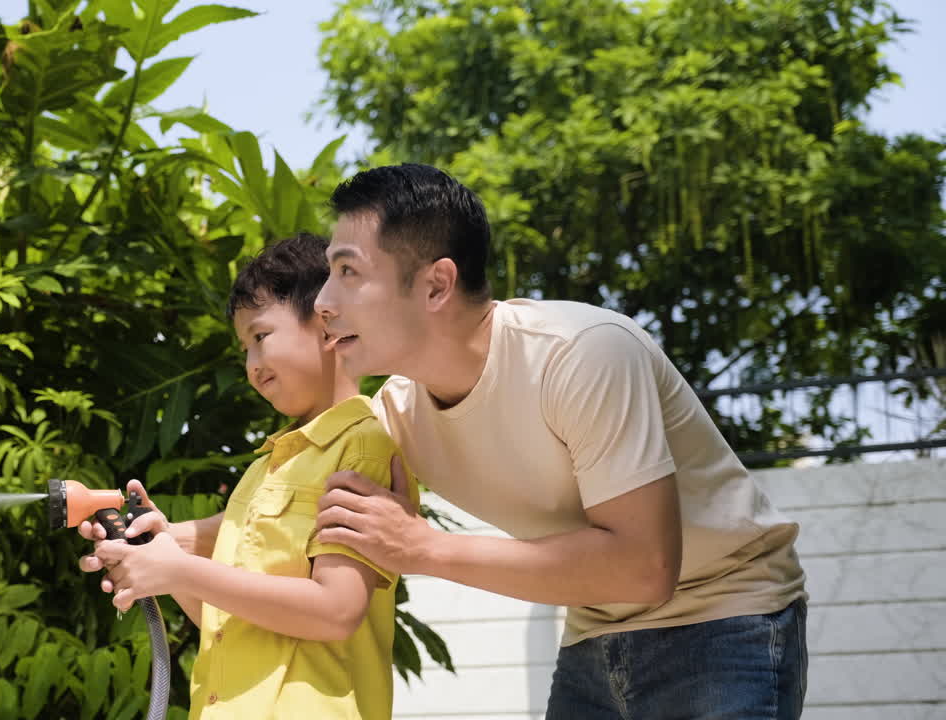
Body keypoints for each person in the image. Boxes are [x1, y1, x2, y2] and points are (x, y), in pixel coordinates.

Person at [307, 163, 808, 719]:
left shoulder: (581, 353)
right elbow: (286, 508)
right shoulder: (398, 414)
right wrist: (190, 549)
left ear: (436, 285)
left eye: (347, 272)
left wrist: (422, 548)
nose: (323, 302)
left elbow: (645, 567)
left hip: (723, 617)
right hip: (592, 633)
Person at [79, 233, 417, 720]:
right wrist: (165, 557)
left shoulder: (361, 446)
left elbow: (337, 609)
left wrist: (180, 569)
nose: (251, 365)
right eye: (244, 347)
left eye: (260, 336)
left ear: (328, 325)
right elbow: (225, 622)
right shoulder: (265, 467)